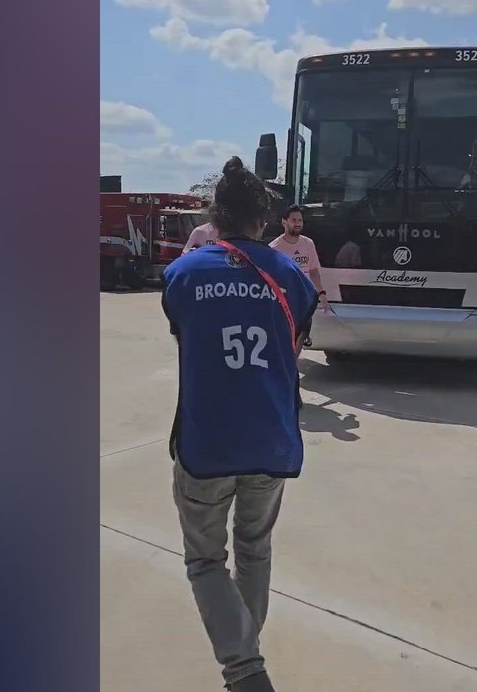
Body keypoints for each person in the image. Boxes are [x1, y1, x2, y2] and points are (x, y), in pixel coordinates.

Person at [161, 157, 318, 692]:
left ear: (216, 217)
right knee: (255, 548)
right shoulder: (290, 274)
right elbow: (291, 345)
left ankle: (245, 670)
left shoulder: (184, 272)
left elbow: (183, 332)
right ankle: (246, 656)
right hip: (272, 438)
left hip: (207, 441)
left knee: (206, 559)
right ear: (263, 220)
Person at [269, 205, 328, 356]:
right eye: (293, 220)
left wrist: (321, 293)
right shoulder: (274, 248)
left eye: (300, 220)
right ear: (284, 222)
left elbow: (314, 270)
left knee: (298, 343)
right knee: (285, 343)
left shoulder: (308, 244)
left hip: (305, 301)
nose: (297, 223)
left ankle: (293, 370)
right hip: (284, 303)